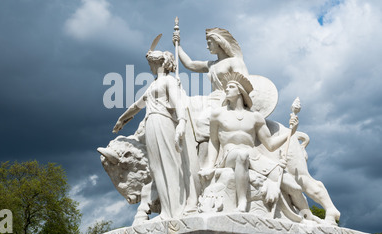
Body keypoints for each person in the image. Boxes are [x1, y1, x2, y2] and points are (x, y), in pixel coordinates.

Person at [113, 49, 196, 220]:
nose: (150, 67)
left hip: (164, 121)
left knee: (169, 164)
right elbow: (137, 105)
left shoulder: (169, 81)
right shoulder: (152, 85)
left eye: (150, 64)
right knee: (155, 168)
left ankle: (176, 210)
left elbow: (178, 103)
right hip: (151, 123)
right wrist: (122, 119)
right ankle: (166, 210)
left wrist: (182, 121)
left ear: (158, 62)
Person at [200, 72, 299, 212]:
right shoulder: (218, 114)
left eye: (231, 86)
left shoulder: (255, 117)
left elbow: (270, 144)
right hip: (229, 155)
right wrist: (210, 165)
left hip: (255, 157)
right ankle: (242, 201)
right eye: (226, 87)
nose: (226, 89)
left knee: (292, 185)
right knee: (241, 155)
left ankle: (307, 216)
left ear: (240, 91)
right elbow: (214, 142)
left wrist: (291, 132)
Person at [173, 28, 250, 167]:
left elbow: (243, 82)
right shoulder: (212, 65)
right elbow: (190, 64)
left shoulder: (235, 62)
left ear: (219, 43)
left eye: (210, 42)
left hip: (226, 99)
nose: (207, 46)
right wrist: (178, 46)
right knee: (186, 108)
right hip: (212, 98)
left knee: (203, 122)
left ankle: (204, 163)